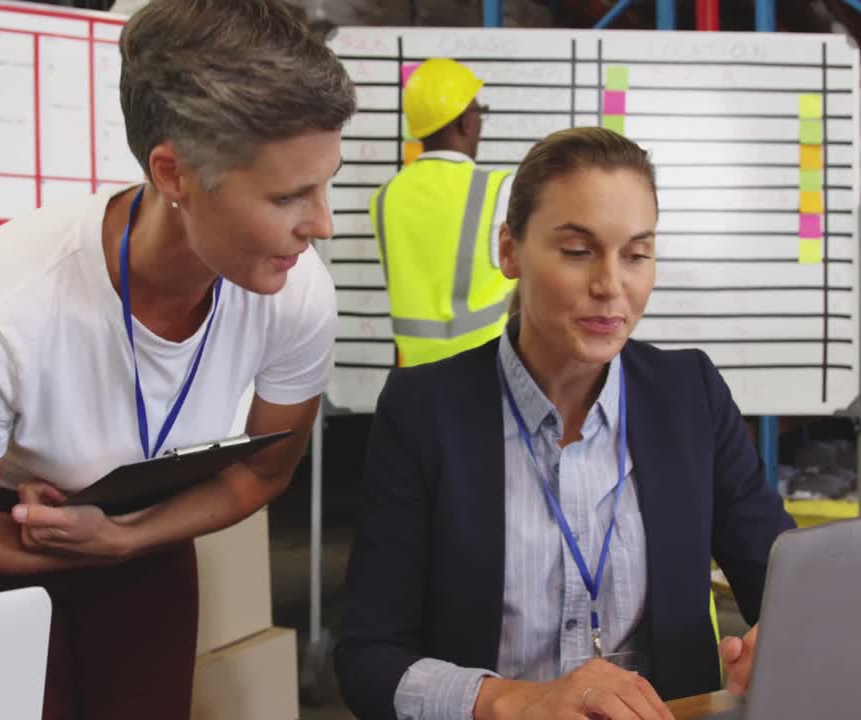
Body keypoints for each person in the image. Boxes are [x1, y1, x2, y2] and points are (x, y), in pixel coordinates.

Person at [0, 1, 355, 718]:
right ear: (173, 173)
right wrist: (91, 544)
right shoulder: (10, 302)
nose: (321, 223)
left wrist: (130, 537)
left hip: (145, 536)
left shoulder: (297, 296)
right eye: (289, 194)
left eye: (326, 183)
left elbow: (265, 471)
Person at [335, 127, 796, 720]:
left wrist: (782, 641)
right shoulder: (425, 410)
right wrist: (512, 700)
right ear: (509, 251)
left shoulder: (690, 395)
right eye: (578, 252)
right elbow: (368, 658)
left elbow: (784, 578)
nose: (610, 286)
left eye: (635, 254)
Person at [370, 58, 515, 367]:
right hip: (485, 373)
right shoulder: (499, 188)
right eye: (479, 113)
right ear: (465, 121)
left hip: (413, 376)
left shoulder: (385, 197)